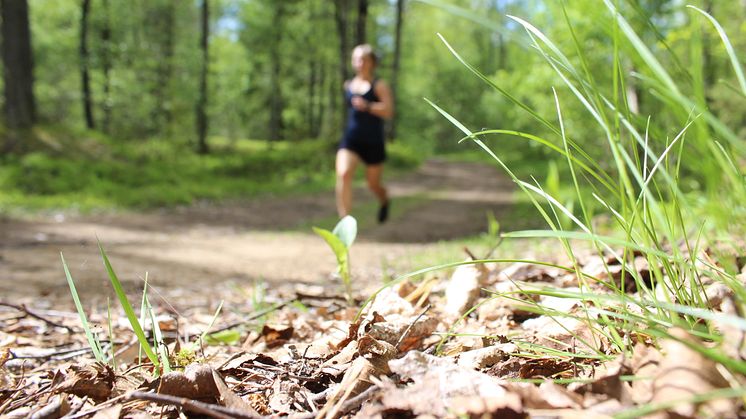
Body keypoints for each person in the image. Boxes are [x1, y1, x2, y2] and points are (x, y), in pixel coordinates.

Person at [336, 44, 394, 223]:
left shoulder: (379, 85)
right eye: (356, 59)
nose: (359, 63)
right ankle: (344, 223)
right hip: (351, 140)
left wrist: (368, 106)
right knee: (344, 174)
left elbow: (389, 111)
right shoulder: (348, 85)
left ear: (372, 63)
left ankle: (384, 200)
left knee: (373, 185)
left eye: (363, 59)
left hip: (373, 142)